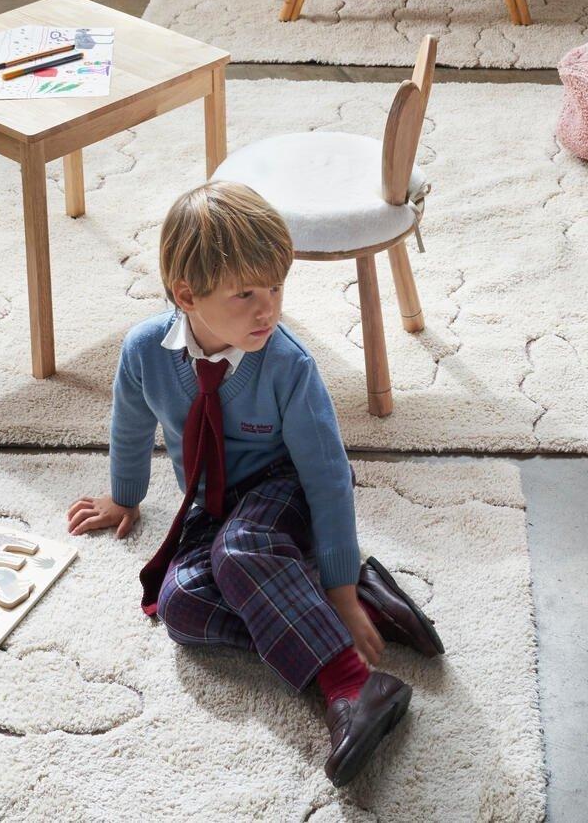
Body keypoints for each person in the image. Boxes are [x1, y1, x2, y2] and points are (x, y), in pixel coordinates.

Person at [67, 181, 444, 787]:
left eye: (275, 288)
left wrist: (339, 584)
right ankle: (356, 602)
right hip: (215, 504)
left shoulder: (289, 365)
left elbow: (327, 475)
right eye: (245, 294)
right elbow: (130, 423)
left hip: (287, 487)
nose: (267, 309)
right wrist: (124, 495)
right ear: (186, 295)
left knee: (241, 551)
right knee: (181, 605)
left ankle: (352, 685)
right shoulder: (144, 351)